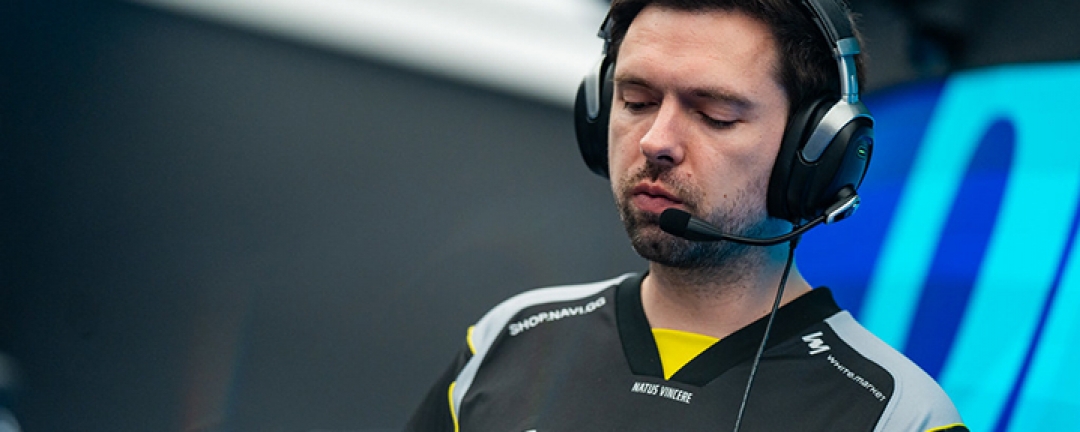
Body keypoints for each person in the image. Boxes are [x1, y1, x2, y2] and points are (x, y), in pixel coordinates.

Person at [405, 0, 967, 430]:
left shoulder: (899, 415)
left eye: (715, 114)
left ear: (815, 150)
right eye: (637, 101)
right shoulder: (508, 341)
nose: (655, 141)